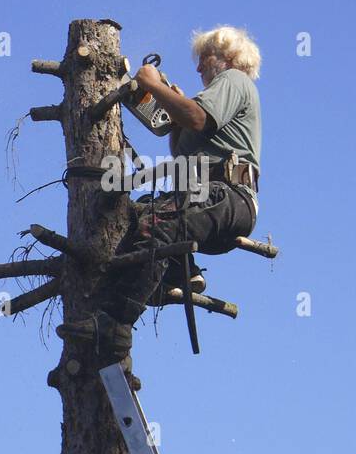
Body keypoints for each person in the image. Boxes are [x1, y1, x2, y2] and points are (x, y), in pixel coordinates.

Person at [57, 25, 262, 364]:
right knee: (136, 216)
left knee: (157, 224)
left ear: (227, 57)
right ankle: (181, 272)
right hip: (206, 196)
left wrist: (153, 86)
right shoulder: (215, 97)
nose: (198, 68)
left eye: (204, 58)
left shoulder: (234, 80)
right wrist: (173, 107)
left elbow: (198, 119)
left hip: (228, 195)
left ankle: (114, 325)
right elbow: (184, 145)